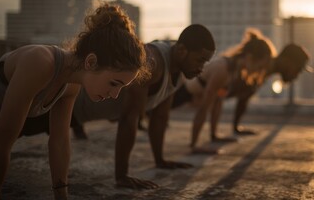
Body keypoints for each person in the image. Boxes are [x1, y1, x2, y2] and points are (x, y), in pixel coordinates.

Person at [0, 3, 149, 200]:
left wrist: (62, 196)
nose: (115, 94)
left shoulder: (71, 83)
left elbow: (59, 141)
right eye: (114, 83)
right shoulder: (40, 62)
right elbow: (1, 144)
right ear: (91, 62)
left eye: (121, 88)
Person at [69, 24, 216, 189]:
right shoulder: (153, 62)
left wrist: (160, 160)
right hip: (67, 104)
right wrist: (122, 176)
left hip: (78, 115)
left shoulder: (180, 71)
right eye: (200, 60)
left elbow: (160, 117)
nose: (201, 68)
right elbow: (128, 118)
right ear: (182, 50)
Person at [173, 43, 310, 137]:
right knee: (162, 105)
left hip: (202, 92)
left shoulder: (265, 65)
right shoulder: (263, 63)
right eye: (297, 69)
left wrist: (235, 127)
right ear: (288, 61)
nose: (296, 75)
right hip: (188, 89)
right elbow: (240, 95)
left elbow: (243, 96)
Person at [174, 28, 276, 154]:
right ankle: (194, 143)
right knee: (150, 112)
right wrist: (194, 146)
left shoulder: (234, 70)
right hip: (181, 93)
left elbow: (218, 101)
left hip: (192, 95)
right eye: (259, 67)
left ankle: (212, 135)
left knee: (217, 101)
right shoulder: (223, 69)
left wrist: (214, 135)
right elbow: (204, 108)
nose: (259, 71)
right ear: (249, 58)